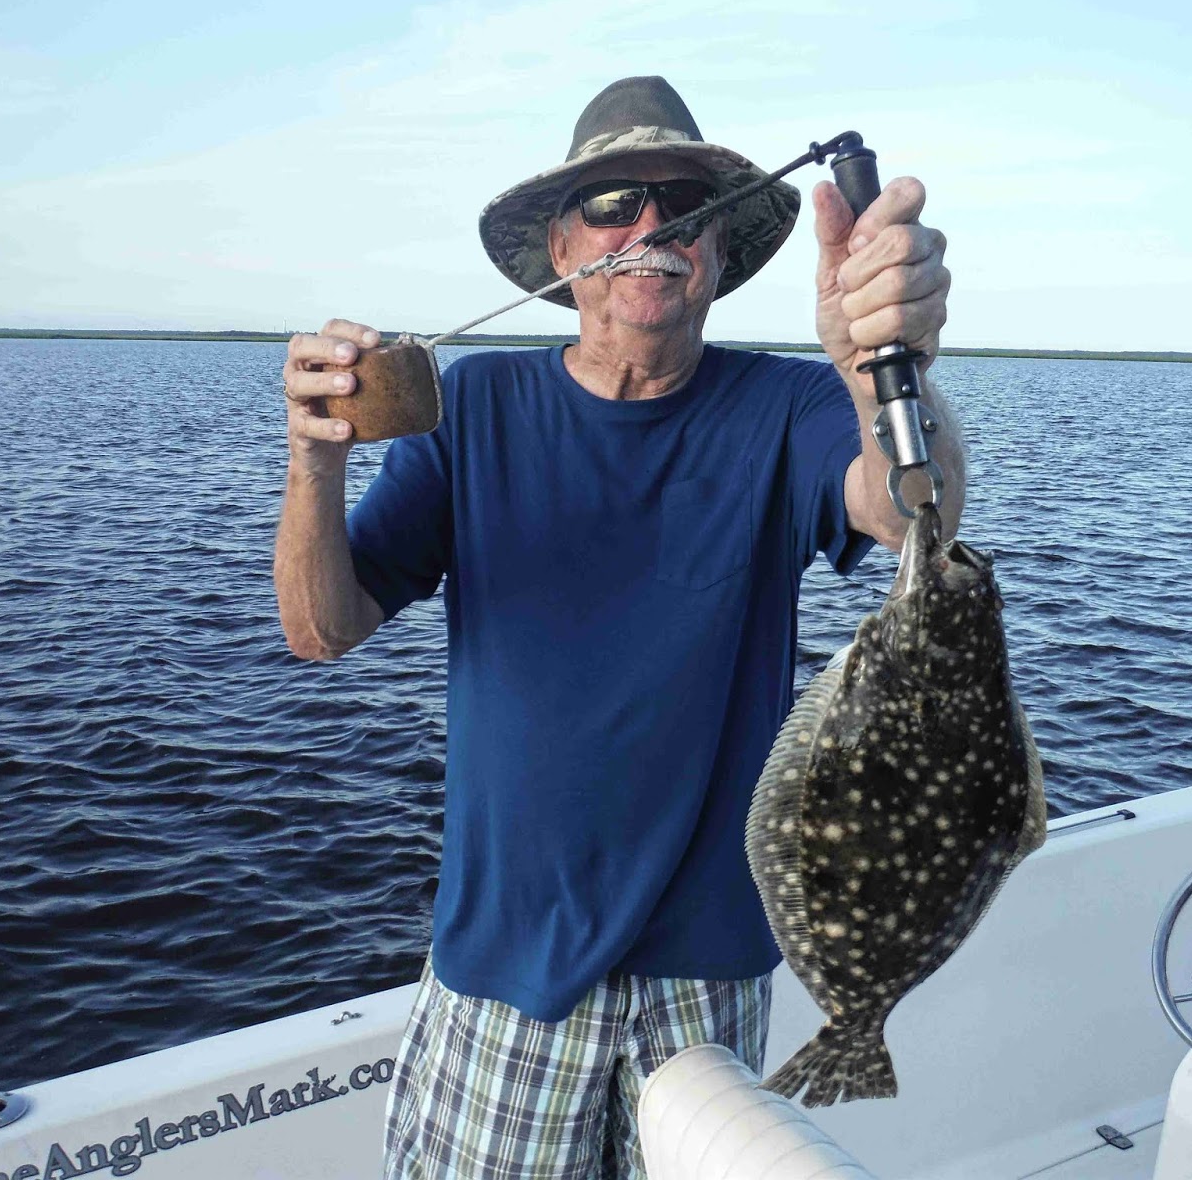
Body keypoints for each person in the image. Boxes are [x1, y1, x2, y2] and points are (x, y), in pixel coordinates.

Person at [273, 76, 963, 1179]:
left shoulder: (784, 407)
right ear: (563, 251)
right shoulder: (477, 408)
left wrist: (885, 368)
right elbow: (320, 629)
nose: (652, 229)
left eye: (684, 208)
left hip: (710, 974)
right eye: (613, 204)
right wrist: (314, 457)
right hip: (507, 968)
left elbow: (911, 513)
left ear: (720, 259)